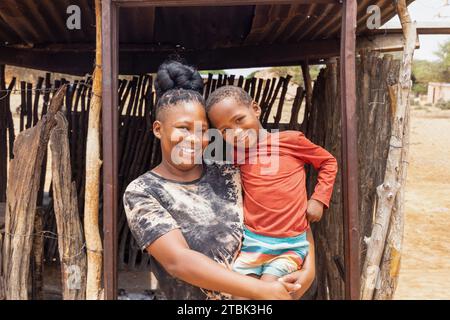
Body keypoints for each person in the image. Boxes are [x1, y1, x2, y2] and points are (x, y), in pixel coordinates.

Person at [123, 60, 316, 300]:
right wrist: (263, 291)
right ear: (158, 129)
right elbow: (177, 261)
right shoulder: (144, 191)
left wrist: (309, 267)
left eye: (203, 130)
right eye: (183, 128)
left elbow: (286, 209)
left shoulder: (231, 171)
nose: (194, 139)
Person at [205, 85, 338, 284]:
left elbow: (328, 162)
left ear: (255, 109)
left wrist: (319, 199)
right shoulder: (236, 156)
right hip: (252, 243)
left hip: (289, 244)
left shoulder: (290, 140)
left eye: (239, 120)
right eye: (225, 130)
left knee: (268, 292)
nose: (237, 132)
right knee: (237, 295)